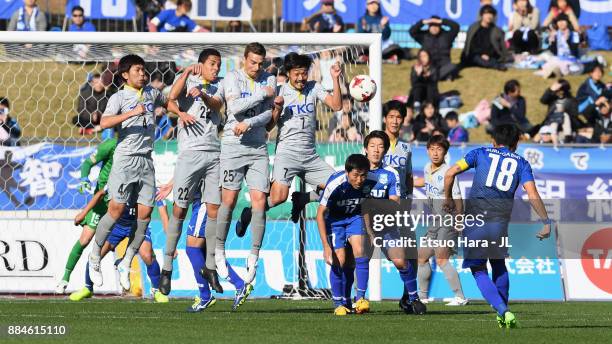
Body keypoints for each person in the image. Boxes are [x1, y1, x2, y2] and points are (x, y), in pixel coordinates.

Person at [443, 124, 552, 328]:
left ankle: (503, 310)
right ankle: (502, 314)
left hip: (475, 219)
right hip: (499, 222)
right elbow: (532, 194)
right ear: (516, 143)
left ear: (494, 140)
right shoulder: (522, 163)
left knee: (477, 268)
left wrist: (448, 198)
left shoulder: (480, 153)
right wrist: (546, 222)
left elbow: (450, 173)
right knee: (499, 264)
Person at [235, 52, 341, 234]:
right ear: (289, 73)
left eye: (304, 73)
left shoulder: (314, 87)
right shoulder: (280, 91)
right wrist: (277, 108)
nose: (301, 78)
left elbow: (336, 106)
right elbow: (268, 127)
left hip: (310, 155)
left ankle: (304, 198)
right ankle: (249, 213)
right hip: (287, 154)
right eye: (296, 74)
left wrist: (335, 79)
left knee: (339, 186)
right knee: (278, 198)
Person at [87, 55, 169, 289]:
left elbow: (169, 99)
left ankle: (127, 260)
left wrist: (180, 110)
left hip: (146, 160)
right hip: (125, 160)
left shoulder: (152, 93)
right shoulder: (119, 97)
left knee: (144, 215)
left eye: (144, 70)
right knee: (116, 209)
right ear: (125, 74)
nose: (143, 74)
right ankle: (95, 256)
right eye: (138, 70)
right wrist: (132, 113)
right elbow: (104, 122)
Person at [159, 49, 226, 296]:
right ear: (200, 65)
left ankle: (210, 267)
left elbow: (218, 103)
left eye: (218, 64)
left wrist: (205, 96)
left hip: (213, 154)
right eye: (211, 64)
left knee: (213, 209)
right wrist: (187, 73)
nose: (216, 68)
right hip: (190, 154)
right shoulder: (189, 82)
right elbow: (171, 99)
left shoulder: (219, 86)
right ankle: (167, 268)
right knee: (180, 209)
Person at [214, 43, 276, 287]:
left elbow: (268, 115)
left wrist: (249, 123)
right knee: (228, 201)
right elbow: (235, 108)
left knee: (260, 203)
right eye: (253, 62)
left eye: (260, 63)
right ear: (244, 60)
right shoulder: (232, 77)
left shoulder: (270, 78)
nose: (257, 67)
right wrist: (262, 94)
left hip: (258, 147)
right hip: (232, 145)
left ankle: (254, 255)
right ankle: (219, 251)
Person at [155, 183, 253, 311]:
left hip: (204, 203)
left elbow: (191, 166)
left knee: (192, 249)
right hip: (201, 201)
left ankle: (205, 296)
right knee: (205, 252)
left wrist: (171, 185)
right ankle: (239, 285)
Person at [68, 187, 169, 303]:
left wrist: (171, 243)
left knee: (147, 255)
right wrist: (83, 213)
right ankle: (87, 288)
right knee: (96, 254)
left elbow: (163, 213)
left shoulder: (149, 185)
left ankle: (157, 290)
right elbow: (100, 194)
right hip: (117, 225)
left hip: (139, 226)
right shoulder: (118, 180)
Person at [56, 138, 117, 294]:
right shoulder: (111, 145)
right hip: (102, 202)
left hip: (122, 202)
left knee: (116, 242)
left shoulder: (135, 146)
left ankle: (124, 265)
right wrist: (84, 179)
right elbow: (87, 163)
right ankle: (65, 278)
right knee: (85, 239)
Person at [317, 154, 375, 315]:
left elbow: (365, 204)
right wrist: (325, 246)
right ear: (347, 172)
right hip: (334, 222)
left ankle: (360, 299)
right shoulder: (335, 184)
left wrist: (369, 230)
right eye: (355, 175)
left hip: (354, 217)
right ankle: (338, 303)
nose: (359, 180)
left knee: (360, 253)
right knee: (340, 259)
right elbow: (320, 214)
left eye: (363, 175)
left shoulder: (371, 180)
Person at [414, 135, 467, 306]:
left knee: (442, 259)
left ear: (445, 152)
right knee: (422, 257)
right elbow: (426, 182)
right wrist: (410, 182)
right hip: (434, 221)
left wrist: (459, 220)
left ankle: (460, 297)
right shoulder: (427, 168)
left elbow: (458, 198)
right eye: (432, 149)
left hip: (448, 220)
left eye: (439, 149)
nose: (435, 153)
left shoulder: (449, 173)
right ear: (427, 150)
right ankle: (422, 297)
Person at [409, 15, 460, 81]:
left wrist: (442, 21)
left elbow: (456, 27)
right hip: (429, 65)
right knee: (417, 68)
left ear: (440, 26)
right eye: (432, 26)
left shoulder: (447, 36)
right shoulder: (424, 36)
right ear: (429, 27)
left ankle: (432, 77)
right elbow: (412, 31)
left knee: (453, 66)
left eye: (436, 25)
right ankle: (441, 76)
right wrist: (423, 22)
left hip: (444, 65)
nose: (434, 28)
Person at [461, 5, 511, 71]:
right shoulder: (473, 28)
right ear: (482, 15)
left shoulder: (497, 30)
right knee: (477, 58)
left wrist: (506, 56)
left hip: (490, 56)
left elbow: (500, 47)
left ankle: (494, 63)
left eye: (491, 14)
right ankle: (496, 66)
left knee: (492, 59)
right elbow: (471, 46)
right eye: (486, 13)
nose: (489, 16)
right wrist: (482, 54)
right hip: (475, 55)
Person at [537, 79, 578, 143]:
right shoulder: (552, 98)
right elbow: (543, 100)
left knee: (564, 115)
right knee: (557, 116)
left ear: (563, 90)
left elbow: (575, 114)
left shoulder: (571, 100)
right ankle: (563, 136)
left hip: (566, 124)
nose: (556, 90)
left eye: (558, 88)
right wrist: (550, 90)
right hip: (551, 122)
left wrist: (565, 110)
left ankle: (565, 137)